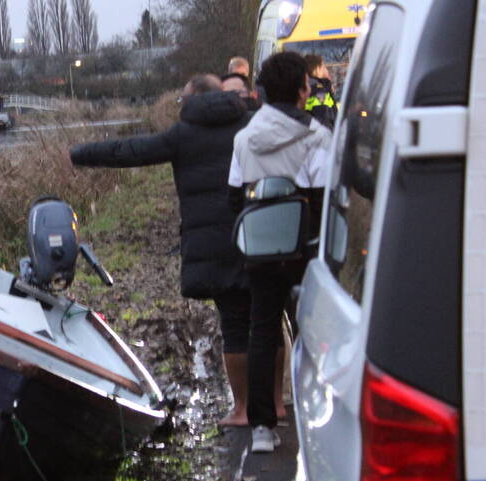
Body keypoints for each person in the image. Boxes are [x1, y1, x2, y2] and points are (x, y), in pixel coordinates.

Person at [70, 74, 254, 426]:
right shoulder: (250, 125)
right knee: (264, 321)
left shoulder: (183, 135)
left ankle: (243, 409)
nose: (179, 105)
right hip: (256, 235)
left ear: (194, 99)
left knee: (233, 324)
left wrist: (80, 154)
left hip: (212, 245)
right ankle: (275, 402)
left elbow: (130, 151)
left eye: (181, 99)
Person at [229, 51, 333, 452]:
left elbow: (233, 198)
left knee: (262, 330)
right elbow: (323, 200)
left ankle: (262, 429)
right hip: (304, 249)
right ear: (304, 90)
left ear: (263, 93)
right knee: (314, 332)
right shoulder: (317, 137)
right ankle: (319, 413)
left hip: (260, 247)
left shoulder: (244, 139)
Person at [303, 53, 338, 126]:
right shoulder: (318, 90)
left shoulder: (307, 85)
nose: (326, 70)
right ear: (317, 69)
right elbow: (323, 116)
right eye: (323, 67)